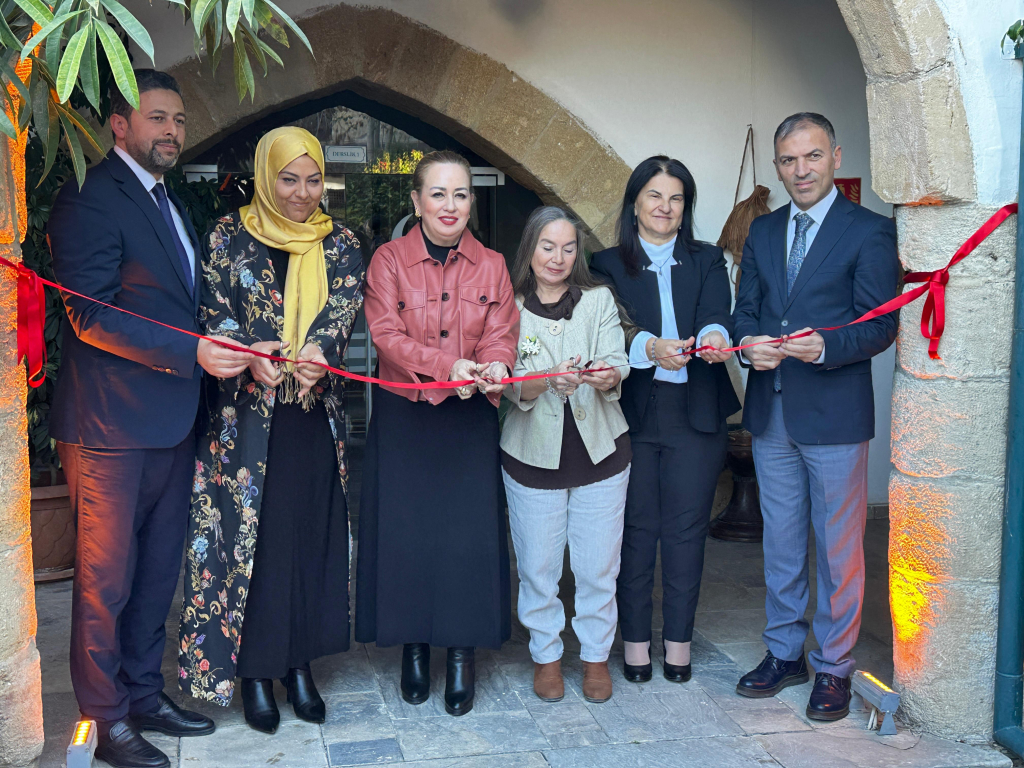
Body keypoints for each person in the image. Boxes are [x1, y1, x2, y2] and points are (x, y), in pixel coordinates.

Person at [47, 70, 250, 768]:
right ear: (120, 124)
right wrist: (192, 351)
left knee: (158, 574)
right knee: (106, 585)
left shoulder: (167, 200)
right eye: (157, 117)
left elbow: (172, 302)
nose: (172, 131)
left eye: (180, 120)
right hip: (109, 428)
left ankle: (141, 694)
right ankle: (104, 721)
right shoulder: (90, 195)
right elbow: (89, 312)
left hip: (171, 421)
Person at [179, 127, 365, 734]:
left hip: (311, 419)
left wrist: (318, 350)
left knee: (306, 539)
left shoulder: (340, 243)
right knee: (250, 545)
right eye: (288, 179)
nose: (302, 193)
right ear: (265, 177)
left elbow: (342, 308)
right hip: (244, 426)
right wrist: (248, 351)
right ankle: (256, 672)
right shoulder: (226, 236)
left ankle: (299, 665)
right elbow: (213, 311)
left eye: (313, 180)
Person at [731, 113, 899, 721]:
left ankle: (833, 665)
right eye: (788, 160)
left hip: (834, 413)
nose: (800, 170)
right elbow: (745, 309)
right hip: (772, 408)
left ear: (835, 156)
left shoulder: (870, 230)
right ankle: (784, 653)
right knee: (779, 541)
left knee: (837, 549)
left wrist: (826, 346)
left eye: (812, 156)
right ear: (778, 166)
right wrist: (747, 344)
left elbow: (881, 323)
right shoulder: (763, 229)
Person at [355, 150, 519, 717]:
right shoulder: (388, 260)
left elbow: (501, 332)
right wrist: (449, 366)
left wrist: (495, 364)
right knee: (408, 536)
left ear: (472, 201)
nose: (450, 205)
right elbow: (386, 335)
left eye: (461, 194)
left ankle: (461, 653)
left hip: (468, 418)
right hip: (406, 415)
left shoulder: (493, 264)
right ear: (417, 200)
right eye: (438, 193)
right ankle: (415, 648)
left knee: (465, 539)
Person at [590, 156, 739, 685]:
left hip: (695, 414)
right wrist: (650, 348)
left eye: (676, 198)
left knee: (685, 533)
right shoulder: (605, 264)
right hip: (631, 414)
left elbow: (717, 315)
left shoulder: (707, 258)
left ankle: (678, 645)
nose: (665, 206)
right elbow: (611, 330)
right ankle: (634, 645)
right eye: (654, 195)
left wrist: (715, 337)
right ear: (635, 203)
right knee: (634, 532)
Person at [500, 206, 632, 704]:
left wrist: (606, 375)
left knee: (598, 568)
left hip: (602, 453)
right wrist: (541, 382)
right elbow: (507, 379)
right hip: (530, 456)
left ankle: (595, 658)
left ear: (579, 254)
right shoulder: (509, 306)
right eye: (547, 246)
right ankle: (547, 657)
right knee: (539, 569)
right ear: (529, 250)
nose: (557, 257)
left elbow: (617, 362)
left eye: (568, 248)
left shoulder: (598, 300)